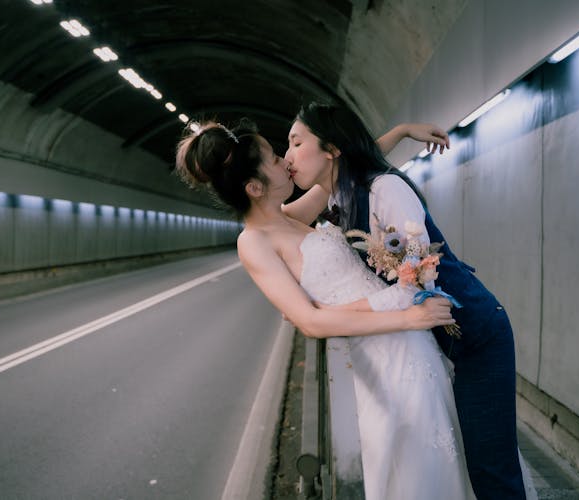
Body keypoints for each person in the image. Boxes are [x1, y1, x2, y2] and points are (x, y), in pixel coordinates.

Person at [175, 119, 477, 499]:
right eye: (273, 159)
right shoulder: (253, 243)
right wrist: (408, 317)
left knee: (440, 450)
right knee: (412, 460)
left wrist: (400, 133)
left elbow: (343, 165)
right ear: (254, 187)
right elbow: (310, 322)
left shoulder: (291, 216)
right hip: (382, 350)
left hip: (408, 339)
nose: (287, 160)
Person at [283, 102, 536, 500]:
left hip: (479, 337)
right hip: (438, 342)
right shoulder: (341, 202)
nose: (288, 158)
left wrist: (328, 314)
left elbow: (417, 276)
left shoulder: (385, 189)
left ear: (331, 148)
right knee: (470, 466)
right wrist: (398, 131)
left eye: (296, 143)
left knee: (491, 467)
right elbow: (283, 216)